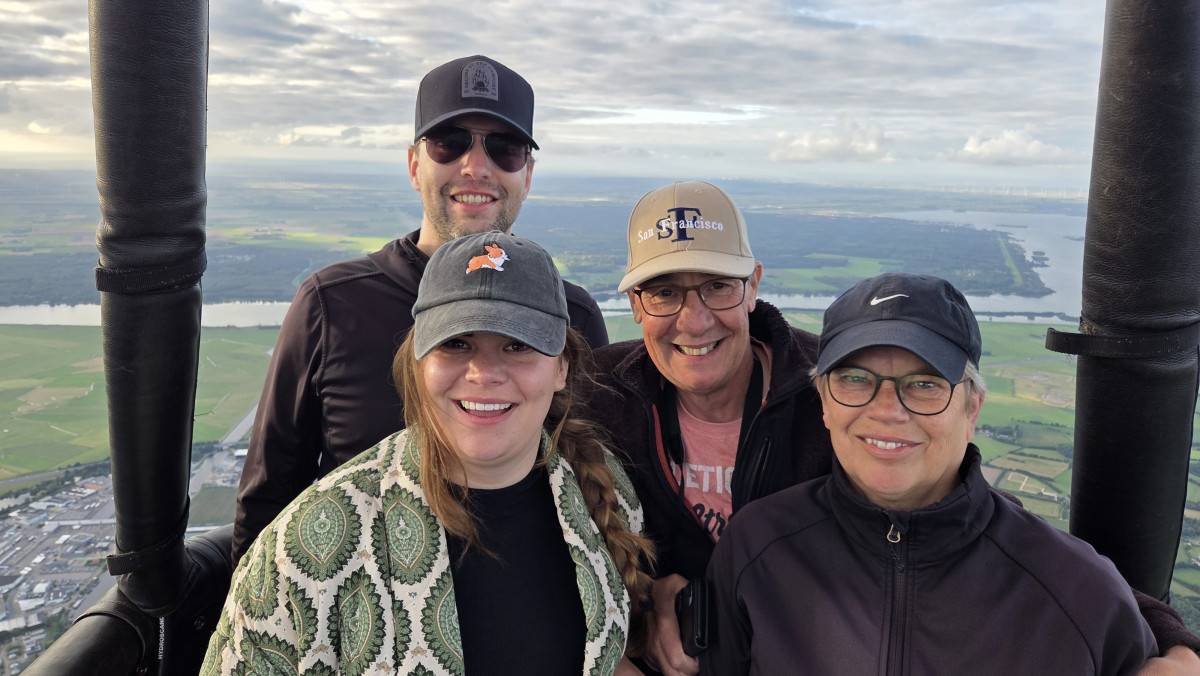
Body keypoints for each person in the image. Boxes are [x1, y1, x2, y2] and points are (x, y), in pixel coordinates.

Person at [585, 180, 1200, 675]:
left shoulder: (833, 384)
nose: (693, 321)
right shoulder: (599, 394)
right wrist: (639, 623)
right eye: (663, 293)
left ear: (753, 287)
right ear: (635, 305)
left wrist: (1168, 643)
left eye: (718, 286)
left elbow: (980, 518)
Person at [205, 232, 652, 675]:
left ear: (561, 369)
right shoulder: (306, 546)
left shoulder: (603, 491)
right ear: (419, 362)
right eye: (456, 343)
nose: (484, 373)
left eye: (518, 345)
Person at [232, 54, 609, 563]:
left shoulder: (571, 316)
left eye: (505, 147)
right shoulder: (333, 304)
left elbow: (595, 482)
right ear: (415, 165)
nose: (476, 167)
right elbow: (268, 506)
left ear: (528, 175)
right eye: (449, 142)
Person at [702, 271, 1158, 674]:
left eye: (924, 384)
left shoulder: (1077, 591)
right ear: (823, 400)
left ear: (972, 407)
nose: (887, 411)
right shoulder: (755, 549)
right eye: (855, 379)